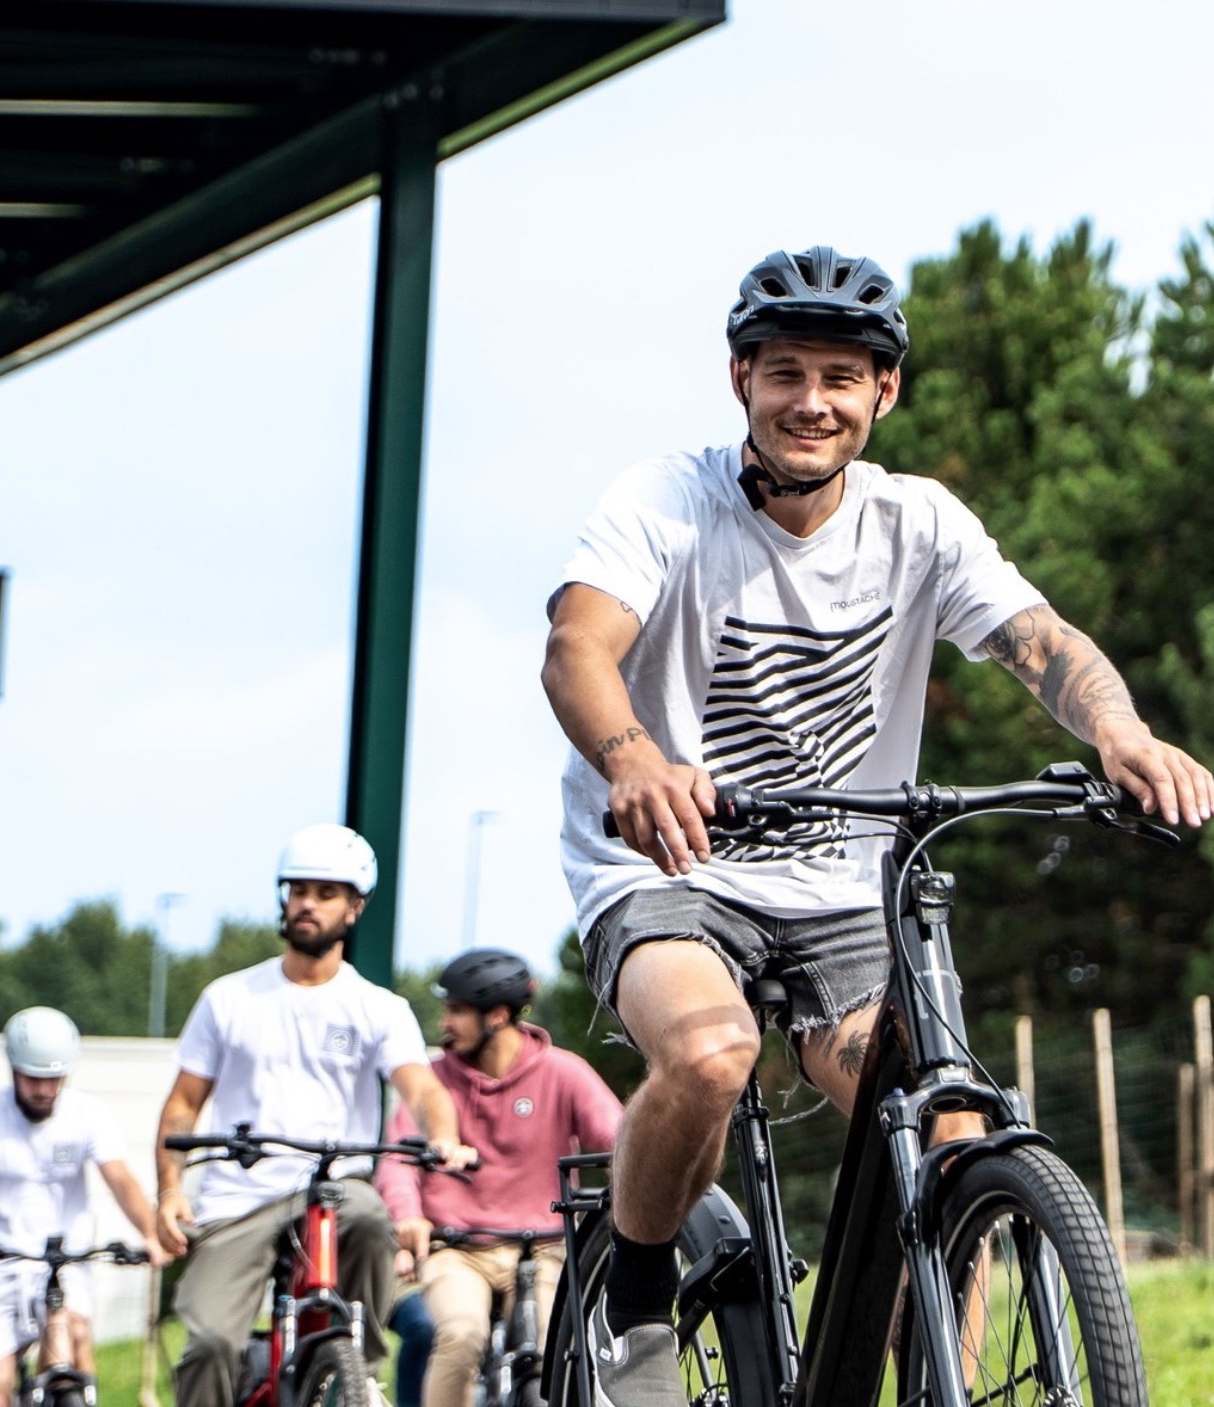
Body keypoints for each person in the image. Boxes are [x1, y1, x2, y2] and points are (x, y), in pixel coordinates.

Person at [540, 244, 1214, 1406]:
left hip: (840, 890)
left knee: (948, 1130)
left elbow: (1040, 643)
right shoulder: (665, 499)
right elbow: (576, 647)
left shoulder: (919, 523)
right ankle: (636, 1308)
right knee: (708, 1052)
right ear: (741, 379)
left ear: (882, 392)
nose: (811, 400)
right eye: (785, 372)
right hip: (667, 864)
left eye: (840, 378)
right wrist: (634, 758)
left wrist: (1120, 731)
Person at [154, 823, 473, 1407]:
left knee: (371, 1217)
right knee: (209, 1344)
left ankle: (358, 1374)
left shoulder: (377, 1007)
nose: (307, 904)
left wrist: (445, 1136)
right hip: (239, 1197)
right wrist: (171, 1192)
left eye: (326, 894)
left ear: (355, 908)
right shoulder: (228, 998)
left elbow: (422, 1089)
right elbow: (182, 1104)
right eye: (298, 890)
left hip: (332, 1186)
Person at [376, 947, 622, 1407]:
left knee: (554, 1345)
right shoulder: (433, 1079)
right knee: (460, 1334)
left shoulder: (564, 1072)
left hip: (544, 1248)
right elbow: (398, 1160)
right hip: (457, 1250)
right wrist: (407, 1216)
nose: (445, 1023)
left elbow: (617, 1141)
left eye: (457, 1011)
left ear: (497, 1016)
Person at [0, 1006, 165, 1406]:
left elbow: (120, 1178)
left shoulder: (86, 1114)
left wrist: (150, 1233)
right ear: (14, 1070)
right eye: (33, 1079)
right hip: (6, 1261)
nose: (44, 1089)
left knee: (73, 1336)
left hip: (66, 1260)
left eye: (53, 1079)